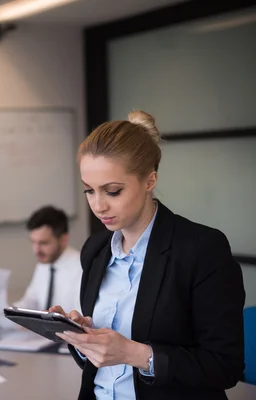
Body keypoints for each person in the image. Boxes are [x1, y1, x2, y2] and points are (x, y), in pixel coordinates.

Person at [50, 110, 245, 399]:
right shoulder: (95, 250)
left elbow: (224, 367)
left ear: (149, 181)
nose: (98, 205)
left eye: (112, 191)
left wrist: (135, 354)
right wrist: (83, 340)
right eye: (89, 191)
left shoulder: (202, 249)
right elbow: (96, 367)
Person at [14, 206, 82, 313]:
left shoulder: (82, 268)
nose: (36, 250)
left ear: (64, 239)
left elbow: (82, 316)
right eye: (33, 242)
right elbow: (30, 301)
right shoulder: (44, 264)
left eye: (44, 243)